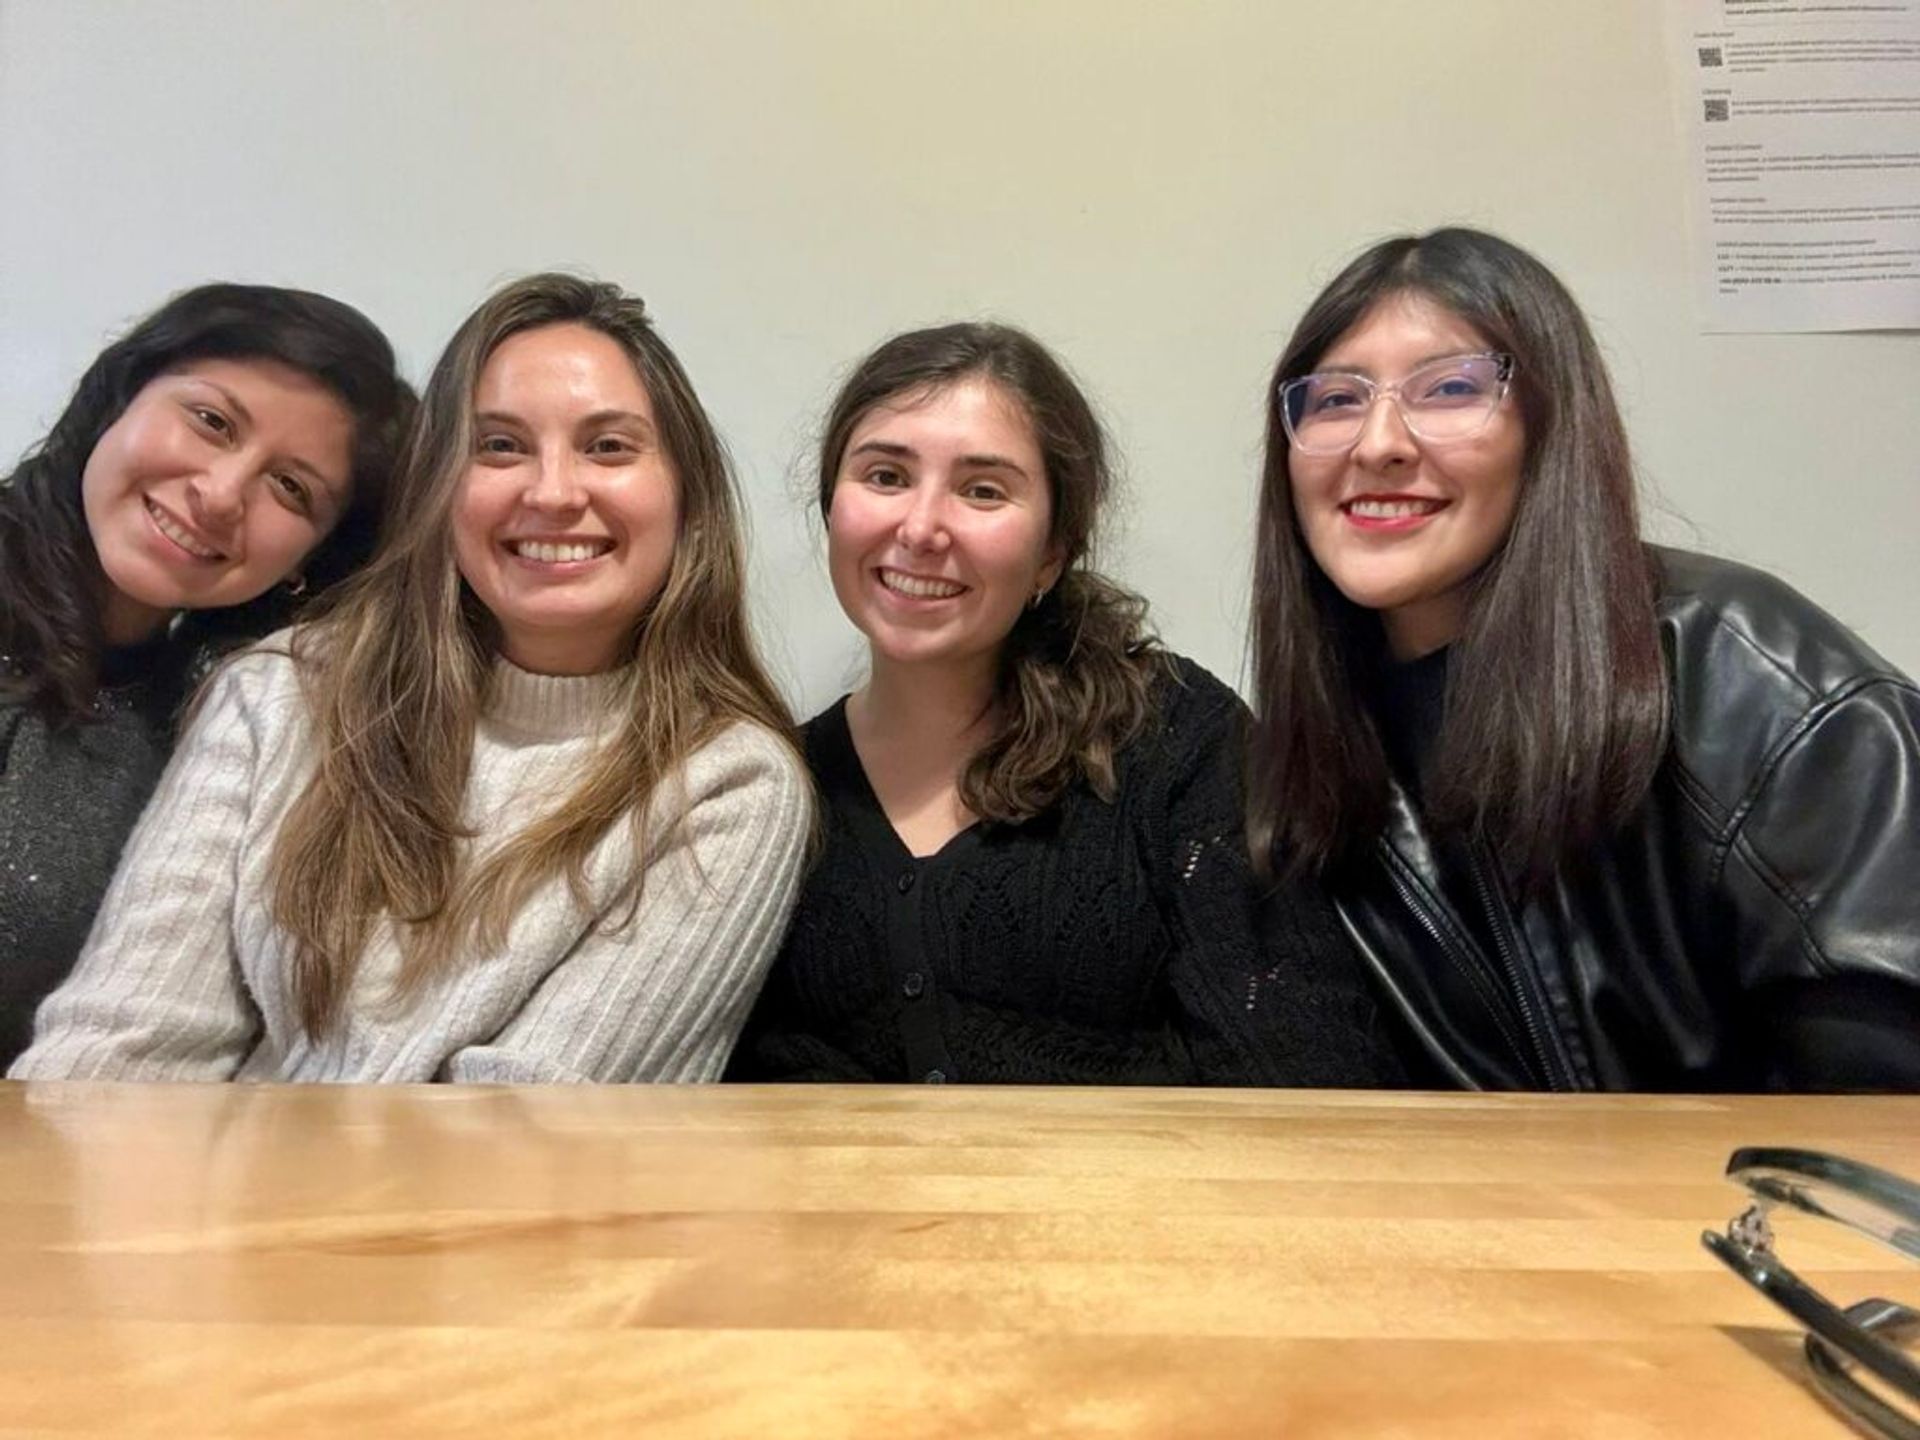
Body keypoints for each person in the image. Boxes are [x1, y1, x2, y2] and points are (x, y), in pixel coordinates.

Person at [13, 274, 811, 1083]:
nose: (554, 491)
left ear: (686, 495)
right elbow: (118, 1051)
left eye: (608, 446)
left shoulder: (727, 781)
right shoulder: (279, 695)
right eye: (498, 445)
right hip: (176, 1204)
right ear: (437, 492)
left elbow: (535, 1138)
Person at [1246, 226, 1920, 1092]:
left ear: (1551, 429)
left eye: (1450, 388)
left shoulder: (1748, 682)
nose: (1379, 442)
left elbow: (1881, 1142)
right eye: (1335, 400)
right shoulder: (1310, 739)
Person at [729, 322, 1395, 1086]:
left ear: (1053, 549)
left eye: (983, 490)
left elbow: (1300, 1069)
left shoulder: (1176, 740)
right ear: (832, 507)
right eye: (885, 476)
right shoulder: (772, 787)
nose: (919, 527)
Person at [0, 283, 412, 1067]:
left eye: (290, 488)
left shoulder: (237, 728)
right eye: (212, 421)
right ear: (123, 393)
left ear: (308, 563)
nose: (221, 496)